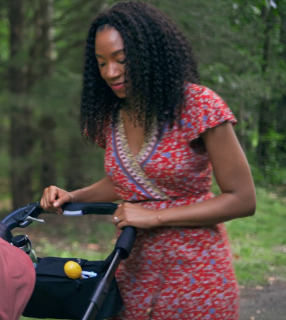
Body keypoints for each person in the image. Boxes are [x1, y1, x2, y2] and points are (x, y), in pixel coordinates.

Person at [39, 2, 256, 319]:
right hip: (133, 271)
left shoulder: (198, 105)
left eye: (121, 60)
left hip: (197, 275)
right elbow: (127, 179)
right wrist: (73, 196)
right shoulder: (109, 117)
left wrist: (153, 217)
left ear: (149, 53)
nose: (110, 72)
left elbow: (242, 199)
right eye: (101, 63)